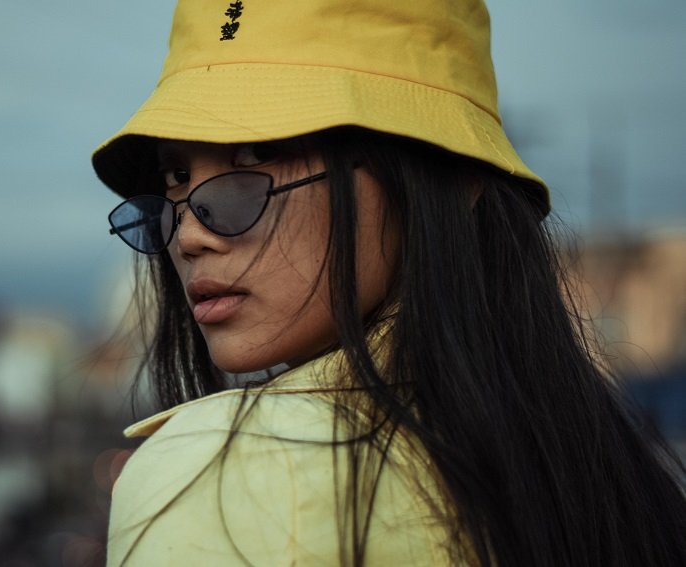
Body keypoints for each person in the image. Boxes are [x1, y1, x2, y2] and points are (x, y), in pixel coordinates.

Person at [92, 1, 686, 565]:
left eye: (257, 156)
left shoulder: (219, 478)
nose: (191, 234)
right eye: (175, 174)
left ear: (446, 182)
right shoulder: (594, 469)